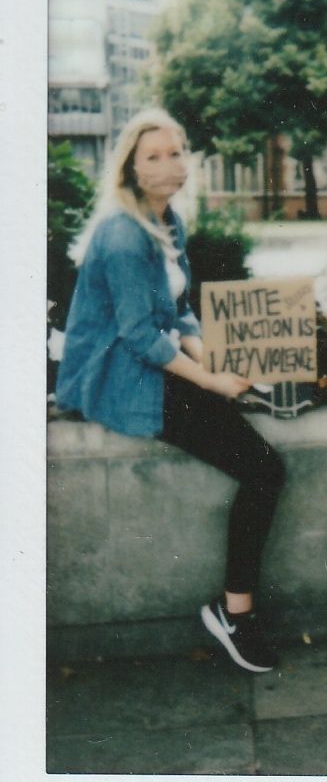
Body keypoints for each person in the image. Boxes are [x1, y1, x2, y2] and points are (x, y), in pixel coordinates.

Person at [56, 108, 285, 673]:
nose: (170, 164)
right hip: (121, 376)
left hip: (154, 365)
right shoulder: (121, 234)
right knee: (265, 470)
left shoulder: (168, 221)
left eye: (177, 151)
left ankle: (234, 610)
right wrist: (210, 380)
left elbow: (178, 312)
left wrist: (217, 357)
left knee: (259, 443)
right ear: (130, 169)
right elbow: (138, 336)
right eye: (154, 156)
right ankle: (235, 613)